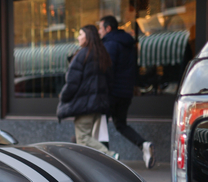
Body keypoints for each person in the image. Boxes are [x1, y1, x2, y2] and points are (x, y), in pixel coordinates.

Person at [98, 15, 155, 168]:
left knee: (101, 124)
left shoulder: (110, 44)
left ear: (108, 28)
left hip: (112, 92)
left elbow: (108, 69)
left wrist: (103, 89)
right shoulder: (128, 44)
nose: (99, 31)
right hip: (125, 92)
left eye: (100, 28)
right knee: (121, 124)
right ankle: (143, 144)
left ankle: (106, 160)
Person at [57, 25, 119, 160]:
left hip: (85, 105)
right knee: (89, 138)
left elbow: (72, 83)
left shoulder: (82, 55)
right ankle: (90, 165)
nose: (78, 38)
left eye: (80, 34)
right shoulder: (102, 54)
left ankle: (110, 156)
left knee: (83, 138)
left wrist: (64, 98)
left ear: (88, 36)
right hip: (99, 104)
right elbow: (110, 81)